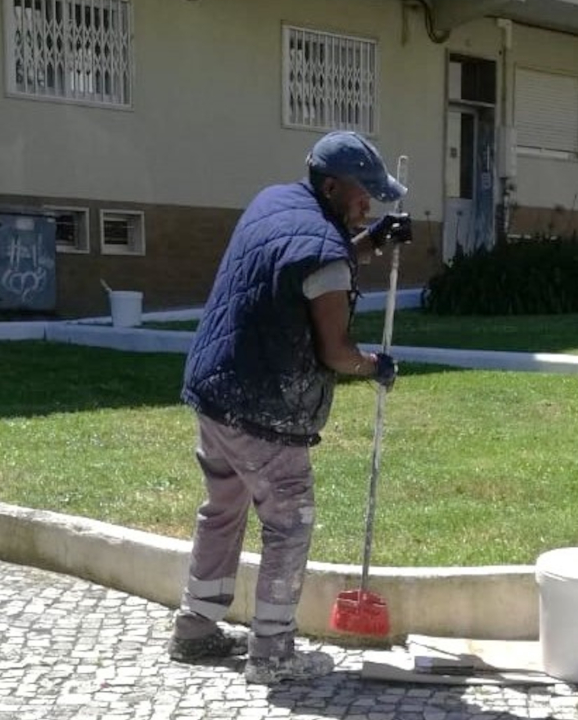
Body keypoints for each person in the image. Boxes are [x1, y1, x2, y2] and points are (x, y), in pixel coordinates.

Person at [166, 130, 412, 685]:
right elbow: (336, 352)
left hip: (214, 390)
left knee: (223, 508)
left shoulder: (273, 201)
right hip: (264, 411)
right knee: (289, 523)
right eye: (362, 194)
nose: (367, 203)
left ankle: (195, 627)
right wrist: (377, 365)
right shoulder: (325, 252)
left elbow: (303, 257)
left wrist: (369, 241)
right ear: (330, 185)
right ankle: (272, 654)